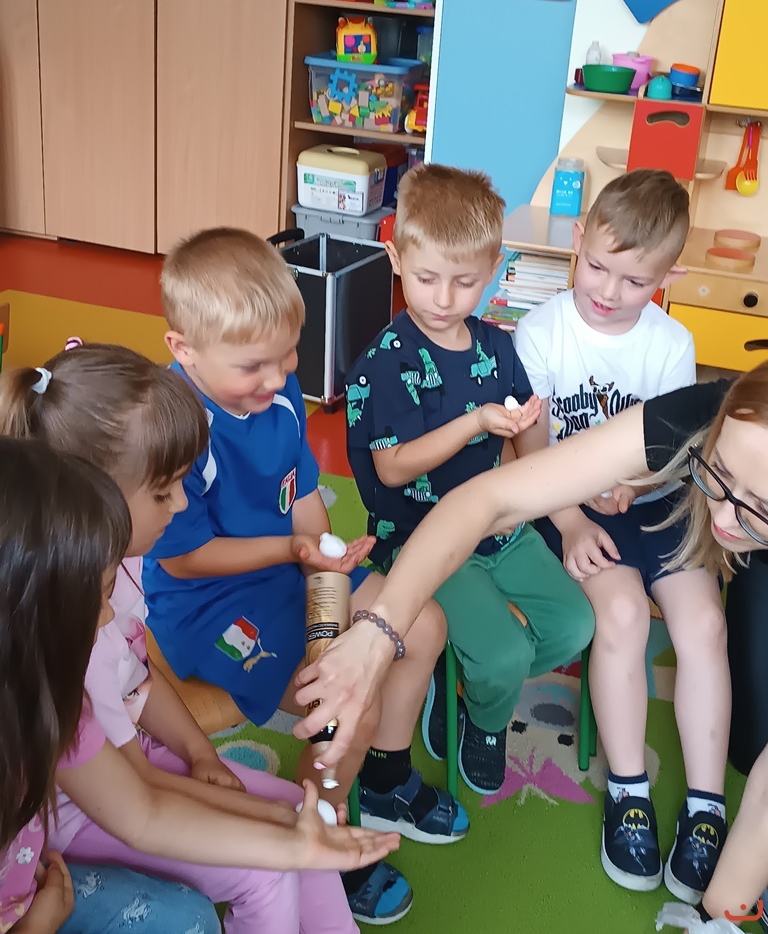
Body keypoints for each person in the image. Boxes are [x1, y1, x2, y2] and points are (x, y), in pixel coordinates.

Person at [300, 364, 768, 931]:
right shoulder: (711, 409)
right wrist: (379, 631)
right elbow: (489, 500)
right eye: (718, 474)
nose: (724, 516)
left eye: (759, 506)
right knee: (748, 765)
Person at [142, 228, 468, 924]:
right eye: (253, 366)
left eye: (288, 354)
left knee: (424, 624)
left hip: (288, 566)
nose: (277, 377)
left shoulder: (279, 390)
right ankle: (321, 831)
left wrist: (320, 546)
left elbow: (302, 487)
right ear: (184, 349)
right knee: (343, 708)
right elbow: (182, 559)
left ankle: (383, 780)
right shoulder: (173, 429)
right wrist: (294, 551)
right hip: (210, 604)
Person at [0, 343, 379, 933]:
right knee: (270, 865)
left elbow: (139, 682)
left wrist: (206, 758)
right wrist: (270, 825)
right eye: (163, 491)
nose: (182, 502)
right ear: (99, 495)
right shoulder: (70, 639)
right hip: (95, 804)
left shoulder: (102, 578)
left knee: (294, 821)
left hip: (130, 772)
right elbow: (139, 798)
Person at [513, 169, 728, 902]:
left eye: (636, 281)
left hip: (657, 504)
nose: (608, 291)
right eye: (599, 267)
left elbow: (673, 447)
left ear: (669, 279)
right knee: (626, 614)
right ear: (578, 240)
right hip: (569, 505)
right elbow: (530, 448)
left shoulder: (671, 343)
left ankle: (706, 807)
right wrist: (572, 517)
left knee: (704, 625)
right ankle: (628, 790)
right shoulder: (542, 330)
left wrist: (634, 484)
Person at [345, 164, 595, 794]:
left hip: (500, 527)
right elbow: (392, 466)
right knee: (504, 653)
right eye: (426, 278)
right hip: (421, 539)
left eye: (464, 282)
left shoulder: (497, 346)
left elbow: (528, 442)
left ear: (494, 270)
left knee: (574, 624)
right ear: (396, 258)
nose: (443, 299)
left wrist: (533, 438)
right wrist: (476, 421)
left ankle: (459, 680)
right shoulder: (388, 360)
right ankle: (484, 718)